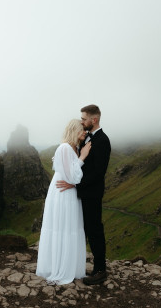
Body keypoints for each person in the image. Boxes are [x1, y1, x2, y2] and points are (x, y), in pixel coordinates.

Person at [57, 104, 111, 285]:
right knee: (85, 229)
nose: (81, 121)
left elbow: (97, 173)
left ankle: (100, 270)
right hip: (82, 193)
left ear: (93, 120)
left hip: (92, 194)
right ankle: (93, 267)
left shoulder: (103, 141)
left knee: (94, 229)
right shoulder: (87, 137)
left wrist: (74, 185)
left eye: (83, 118)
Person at [35, 119, 92, 285]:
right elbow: (73, 176)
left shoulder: (73, 147)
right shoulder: (65, 147)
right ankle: (60, 267)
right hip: (63, 192)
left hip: (68, 190)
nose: (85, 133)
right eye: (82, 130)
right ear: (74, 130)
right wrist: (82, 157)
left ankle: (70, 267)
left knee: (70, 227)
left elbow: (72, 176)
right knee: (64, 227)